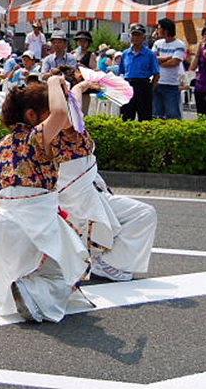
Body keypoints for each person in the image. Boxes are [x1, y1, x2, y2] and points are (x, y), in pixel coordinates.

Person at [0, 77, 90, 323]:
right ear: (31, 115)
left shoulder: (0, 146)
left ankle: (25, 288)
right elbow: (60, 113)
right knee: (66, 271)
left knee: (56, 267)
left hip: (4, 223)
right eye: (46, 113)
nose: (54, 119)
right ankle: (32, 291)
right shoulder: (35, 137)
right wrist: (54, 81)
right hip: (35, 221)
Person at [54, 79, 157, 281]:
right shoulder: (52, 132)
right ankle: (105, 263)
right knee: (142, 214)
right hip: (77, 202)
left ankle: (108, 262)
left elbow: (74, 108)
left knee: (144, 213)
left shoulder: (74, 128)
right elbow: (67, 113)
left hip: (92, 195)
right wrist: (75, 87)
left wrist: (80, 87)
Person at [119, 24, 160, 121]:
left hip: (143, 86)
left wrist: (150, 89)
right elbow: (121, 72)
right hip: (128, 86)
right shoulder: (125, 53)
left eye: (138, 35)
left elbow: (156, 74)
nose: (135, 38)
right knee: (126, 117)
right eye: (133, 35)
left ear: (144, 38)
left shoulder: (150, 54)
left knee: (145, 118)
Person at [152, 18, 186, 119]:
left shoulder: (179, 44)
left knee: (173, 115)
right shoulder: (157, 43)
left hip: (171, 85)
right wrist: (168, 58)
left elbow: (174, 62)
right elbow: (152, 59)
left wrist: (159, 61)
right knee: (156, 115)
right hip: (156, 83)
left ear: (166, 30)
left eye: (159, 28)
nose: (157, 31)